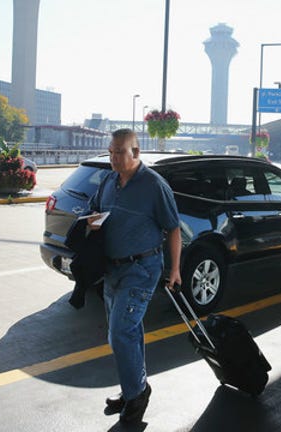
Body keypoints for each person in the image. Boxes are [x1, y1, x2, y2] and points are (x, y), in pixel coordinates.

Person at [87, 128, 182, 424]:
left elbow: (174, 228)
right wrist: (91, 223)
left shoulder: (154, 185)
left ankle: (137, 395)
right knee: (124, 334)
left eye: (120, 152)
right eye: (111, 152)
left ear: (136, 153)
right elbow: (94, 212)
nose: (114, 158)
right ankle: (134, 388)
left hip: (141, 269)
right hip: (112, 268)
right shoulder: (108, 180)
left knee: (121, 332)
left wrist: (175, 269)